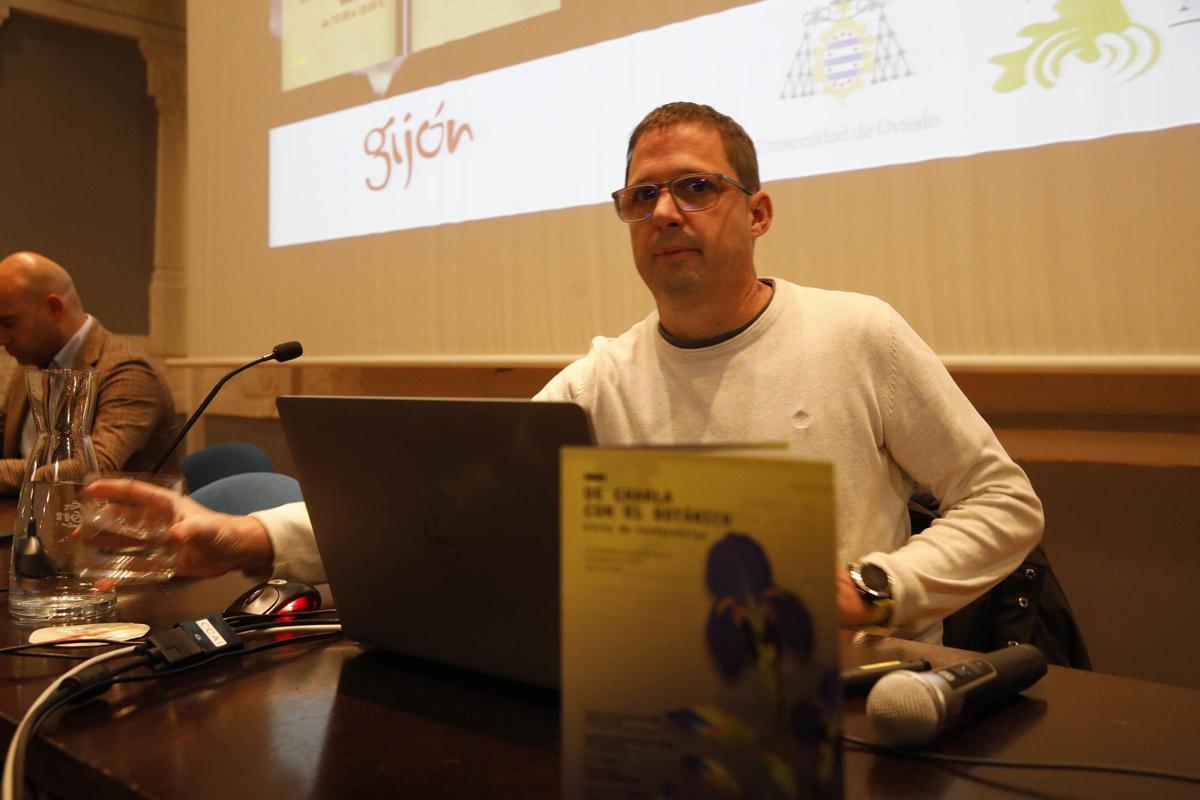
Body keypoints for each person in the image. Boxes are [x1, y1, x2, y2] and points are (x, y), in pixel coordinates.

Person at [86, 103, 1043, 640]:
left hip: (847, 709)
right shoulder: (602, 377)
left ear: (756, 214)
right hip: (657, 703)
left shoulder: (855, 333)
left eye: (696, 187)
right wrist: (243, 536)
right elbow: (443, 516)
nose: (665, 211)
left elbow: (1003, 504)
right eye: (641, 196)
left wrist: (876, 586)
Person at [0, 251, 179, 491]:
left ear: (53, 308)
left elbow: (94, 467)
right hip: (32, 513)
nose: (2, 339)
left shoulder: (128, 370)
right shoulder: (30, 361)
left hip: (112, 522)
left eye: (8, 323)